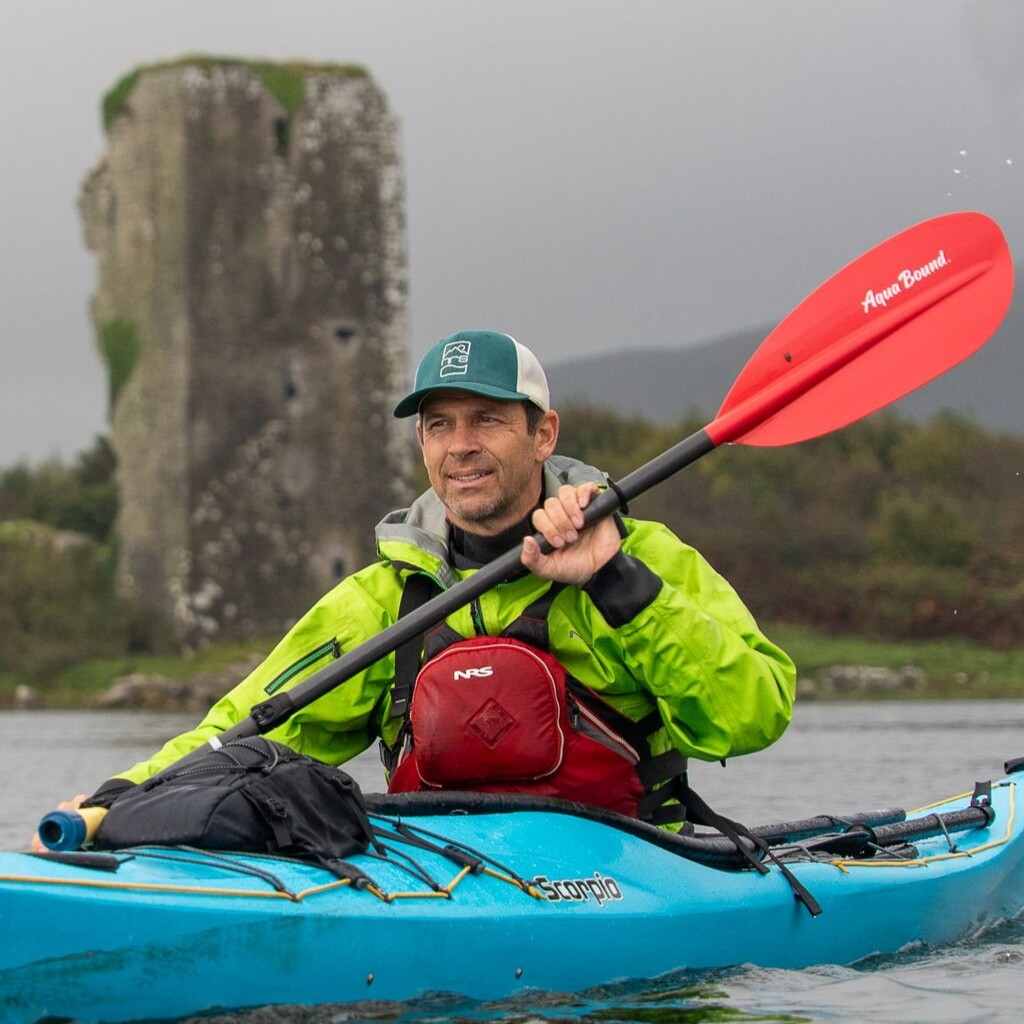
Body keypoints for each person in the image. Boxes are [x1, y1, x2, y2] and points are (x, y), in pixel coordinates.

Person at [39, 330, 796, 840]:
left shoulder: (641, 555)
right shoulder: (383, 597)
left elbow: (754, 713)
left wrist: (615, 581)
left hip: (632, 875)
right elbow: (247, 726)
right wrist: (119, 799)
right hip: (440, 878)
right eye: (439, 425)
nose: (460, 446)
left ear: (544, 433)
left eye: (487, 420)